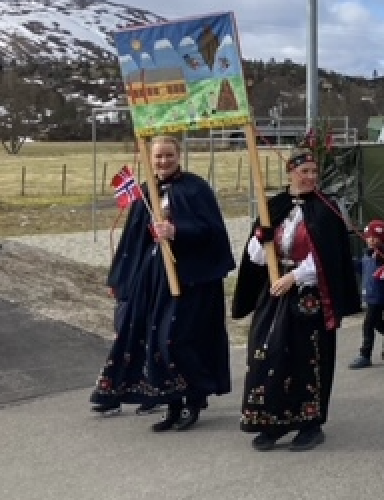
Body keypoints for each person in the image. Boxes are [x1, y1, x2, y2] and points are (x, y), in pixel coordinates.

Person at [90, 136, 235, 432]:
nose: (163, 162)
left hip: (189, 279)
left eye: (169, 155)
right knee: (154, 339)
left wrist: (177, 230)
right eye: (158, 157)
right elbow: (133, 240)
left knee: (177, 339)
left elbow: (212, 232)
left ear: (178, 155)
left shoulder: (196, 189)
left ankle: (194, 398)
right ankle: (172, 403)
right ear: (150, 159)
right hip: (153, 276)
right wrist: (121, 279)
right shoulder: (147, 192)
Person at [232, 148, 362, 452]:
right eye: (304, 172)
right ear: (290, 172)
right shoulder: (274, 207)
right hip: (275, 291)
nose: (310, 178)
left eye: (314, 173)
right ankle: (271, 421)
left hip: (309, 294)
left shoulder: (326, 210)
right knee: (267, 352)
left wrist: (296, 277)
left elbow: (329, 258)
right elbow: (255, 257)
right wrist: (260, 238)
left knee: (306, 356)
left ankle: (309, 423)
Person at [350, 219, 384, 369]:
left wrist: (382, 257)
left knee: (368, 325)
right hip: (369, 295)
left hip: (379, 297)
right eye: (369, 237)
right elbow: (363, 268)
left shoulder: (382, 256)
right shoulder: (367, 255)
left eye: (375, 238)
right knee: (379, 324)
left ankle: (365, 354)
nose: (371, 241)